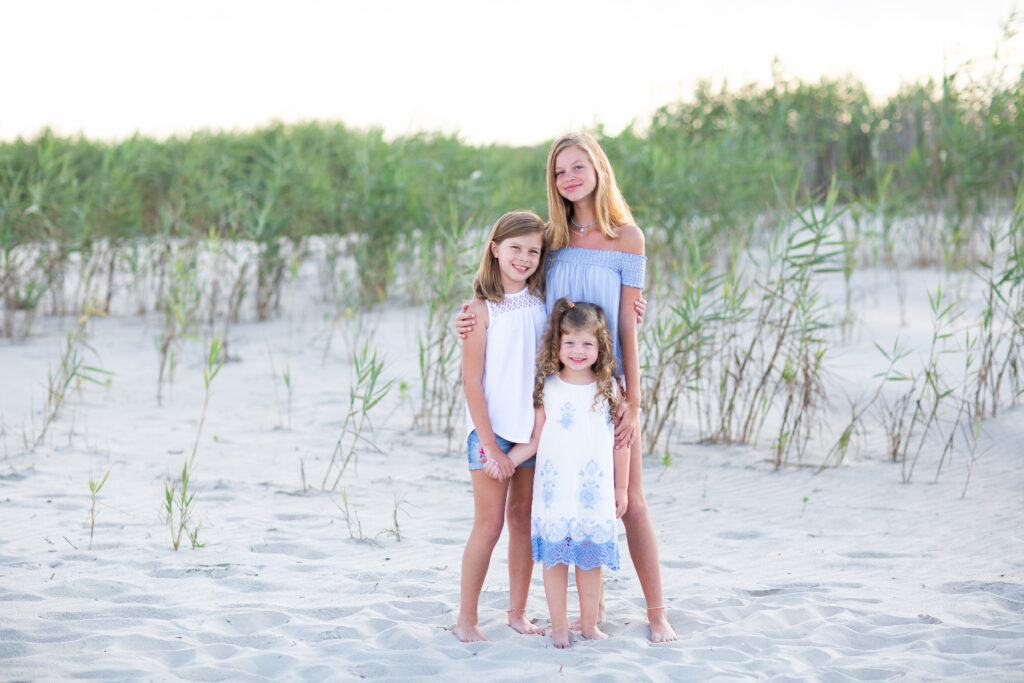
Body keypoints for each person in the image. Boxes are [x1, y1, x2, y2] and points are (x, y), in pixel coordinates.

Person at [457, 132, 677, 642]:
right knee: (561, 502)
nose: (569, 178)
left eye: (579, 166)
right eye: (559, 171)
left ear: (599, 168)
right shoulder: (551, 240)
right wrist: (467, 316)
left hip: (606, 388)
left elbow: (627, 324)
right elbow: (512, 291)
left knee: (629, 500)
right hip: (553, 394)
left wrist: (634, 398)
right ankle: (584, 611)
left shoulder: (629, 238)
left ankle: (657, 612)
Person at [486, 299, 629, 648]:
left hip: (593, 492)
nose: (578, 351)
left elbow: (620, 443)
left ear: (601, 346)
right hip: (555, 491)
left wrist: (621, 489)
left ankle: (590, 625)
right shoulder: (547, 386)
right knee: (555, 561)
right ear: (557, 344)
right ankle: (561, 626)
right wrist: (505, 461)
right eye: (570, 342)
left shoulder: (610, 388)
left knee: (589, 561)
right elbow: (535, 440)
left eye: (587, 343)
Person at [453, 210, 549, 643]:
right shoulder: (479, 310)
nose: (523, 258)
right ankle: (467, 618)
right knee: (488, 525)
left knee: (522, 521)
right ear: (495, 249)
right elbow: (471, 382)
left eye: (533, 251)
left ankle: (517, 612)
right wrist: (491, 446)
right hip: (490, 433)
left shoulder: (543, 301)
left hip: (531, 433)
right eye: (515, 248)